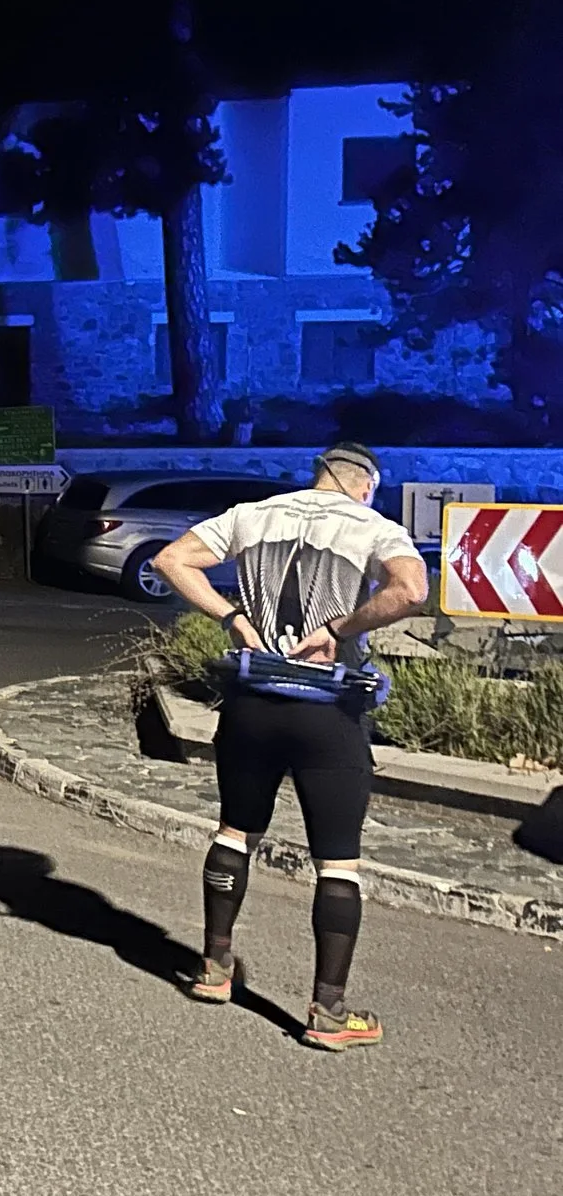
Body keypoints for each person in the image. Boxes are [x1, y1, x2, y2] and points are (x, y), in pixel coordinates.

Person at [151, 442, 430, 1052]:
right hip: (328, 711)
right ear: (365, 485)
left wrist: (232, 619)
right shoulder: (374, 526)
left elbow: (172, 560)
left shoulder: (255, 512)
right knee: (337, 863)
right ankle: (327, 1012)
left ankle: (214, 969)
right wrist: (337, 629)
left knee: (235, 833)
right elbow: (411, 591)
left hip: (252, 704)